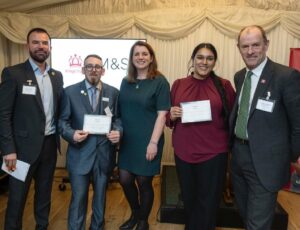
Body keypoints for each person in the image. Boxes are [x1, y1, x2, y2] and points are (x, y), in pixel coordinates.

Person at [229, 25, 300, 230]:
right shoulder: (240, 76)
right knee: (244, 213)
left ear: (266, 45)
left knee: (257, 223)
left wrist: (290, 156)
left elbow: (298, 123)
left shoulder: (286, 77)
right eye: (245, 46)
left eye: (255, 45)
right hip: (239, 156)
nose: (250, 51)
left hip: (267, 162)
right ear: (239, 48)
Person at [166, 43, 235, 230]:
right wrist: (171, 114)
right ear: (193, 59)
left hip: (214, 152)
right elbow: (169, 118)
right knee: (189, 197)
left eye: (209, 58)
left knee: (209, 200)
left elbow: (233, 118)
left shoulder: (224, 85)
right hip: (184, 151)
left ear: (214, 62)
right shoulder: (179, 84)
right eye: (200, 57)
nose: (204, 62)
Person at [0, 27, 64, 230]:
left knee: (44, 193)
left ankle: (42, 226)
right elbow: (3, 114)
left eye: (44, 43)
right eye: (36, 42)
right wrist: (8, 149)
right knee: (17, 197)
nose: (40, 46)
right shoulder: (13, 73)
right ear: (28, 45)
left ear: (50, 48)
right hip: (20, 150)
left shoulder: (57, 76)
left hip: (48, 145)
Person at [58, 54, 122, 230]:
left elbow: (117, 119)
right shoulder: (69, 92)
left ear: (103, 70)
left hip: (104, 155)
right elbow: (62, 122)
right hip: (80, 155)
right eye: (89, 66)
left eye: (97, 67)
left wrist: (118, 132)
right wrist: (72, 134)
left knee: (100, 199)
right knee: (78, 199)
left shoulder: (113, 92)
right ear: (83, 69)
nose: (93, 70)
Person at [118, 41, 170, 230]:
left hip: (149, 139)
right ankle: (135, 213)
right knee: (124, 179)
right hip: (128, 141)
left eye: (144, 54)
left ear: (151, 57)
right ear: (131, 59)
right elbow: (120, 111)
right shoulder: (126, 82)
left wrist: (153, 143)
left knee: (143, 181)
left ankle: (142, 221)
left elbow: (162, 114)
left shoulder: (160, 82)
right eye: (136, 54)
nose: (141, 57)